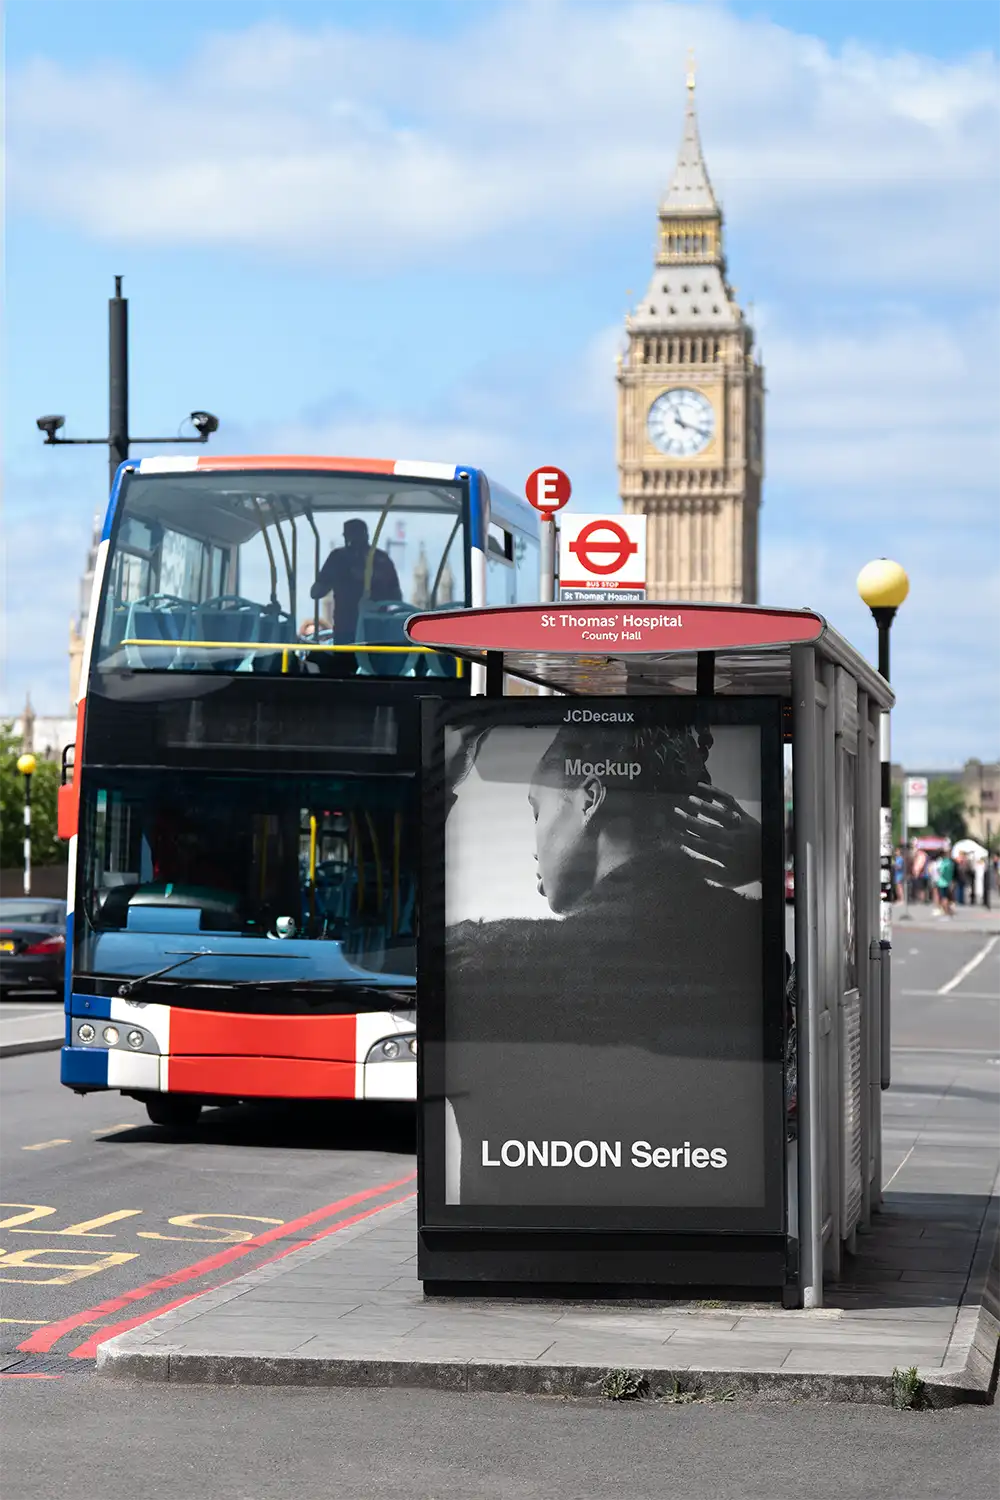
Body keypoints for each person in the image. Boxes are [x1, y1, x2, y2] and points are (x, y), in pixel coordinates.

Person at [442, 719, 767, 1208]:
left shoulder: (489, 966)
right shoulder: (750, 942)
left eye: (537, 809)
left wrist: (441, 775)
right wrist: (774, 858)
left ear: (589, 798)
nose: (535, 842)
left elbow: (389, 951)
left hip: (530, 1263)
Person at [310, 520, 402, 644]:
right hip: (355, 629)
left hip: (370, 630)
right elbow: (316, 592)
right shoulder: (338, 558)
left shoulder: (380, 560)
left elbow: (396, 597)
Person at [935, 848, 956, 917]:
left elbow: (940, 872)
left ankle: (946, 911)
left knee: (944, 897)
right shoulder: (950, 862)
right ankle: (948, 910)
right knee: (949, 897)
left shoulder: (943, 863)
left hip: (942, 882)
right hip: (949, 881)